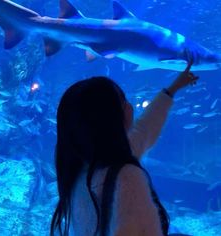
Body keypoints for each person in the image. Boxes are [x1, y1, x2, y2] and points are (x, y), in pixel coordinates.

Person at [50, 60, 198, 236]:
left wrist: (172, 89)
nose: (130, 105)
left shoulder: (80, 171)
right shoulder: (125, 177)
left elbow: (144, 130)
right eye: (123, 99)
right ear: (110, 117)